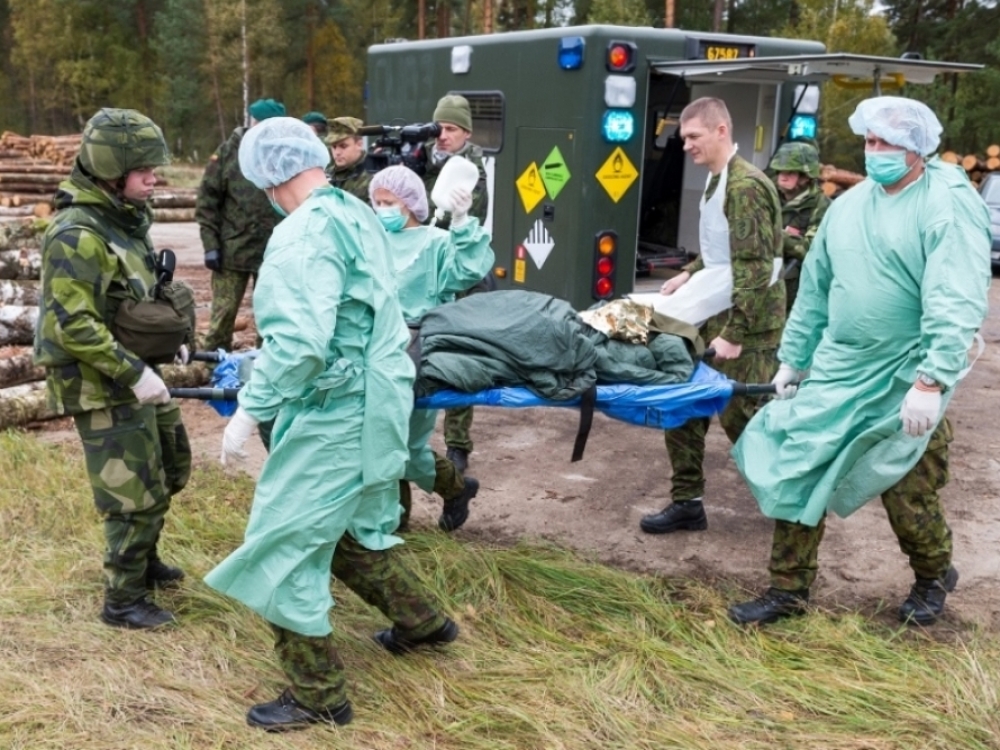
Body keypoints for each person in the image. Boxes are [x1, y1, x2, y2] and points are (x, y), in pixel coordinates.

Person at [205, 118, 458, 731]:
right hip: (378, 402)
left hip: (337, 411)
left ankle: (318, 695)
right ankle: (423, 623)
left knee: (284, 542)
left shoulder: (301, 235)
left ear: (266, 174)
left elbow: (300, 347)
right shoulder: (353, 211)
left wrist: (251, 409)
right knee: (351, 528)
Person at [728, 96, 991, 627]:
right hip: (839, 368)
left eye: (887, 143)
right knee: (798, 467)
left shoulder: (946, 201)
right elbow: (817, 291)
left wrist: (932, 379)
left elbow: (955, 294)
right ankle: (788, 589)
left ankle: (934, 573)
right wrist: (793, 360)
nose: (875, 152)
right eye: (869, 142)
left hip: (904, 374)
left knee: (905, 487)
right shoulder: (849, 207)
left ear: (917, 147)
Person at [34, 108, 191, 629]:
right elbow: (71, 326)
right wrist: (134, 373)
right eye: (144, 168)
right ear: (111, 168)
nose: (154, 178)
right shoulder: (76, 234)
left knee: (170, 466)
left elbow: (134, 299)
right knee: (132, 494)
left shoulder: (123, 218)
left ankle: (142, 563)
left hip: (132, 372)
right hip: (101, 384)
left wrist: (170, 341)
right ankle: (123, 600)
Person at [640, 97, 785, 535]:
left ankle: (790, 504)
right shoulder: (716, 181)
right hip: (711, 314)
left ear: (721, 130)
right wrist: (688, 273)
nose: (685, 145)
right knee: (683, 409)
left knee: (745, 421)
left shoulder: (745, 186)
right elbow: (722, 250)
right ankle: (688, 502)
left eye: (693, 136)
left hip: (748, 326)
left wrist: (735, 333)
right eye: (683, 137)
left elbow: (756, 266)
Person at [368, 165, 495, 531]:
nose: (381, 209)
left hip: (419, 351)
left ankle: (433, 500)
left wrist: (462, 220)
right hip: (375, 349)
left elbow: (471, 269)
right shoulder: (371, 242)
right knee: (383, 441)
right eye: (376, 202)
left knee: (402, 445)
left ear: (408, 204)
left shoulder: (435, 243)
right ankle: (412, 512)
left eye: (388, 202)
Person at [423, 93, 491, 473]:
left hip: (464, 273)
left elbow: (458, 219)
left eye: (450, 128)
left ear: (466, 131)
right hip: (432, 269)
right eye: (439, 128)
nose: (442, 135)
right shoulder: (433, 163)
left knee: (460, 358)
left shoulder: (472, 170)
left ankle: (458, 444)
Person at [195, 97, 285, 353]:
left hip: (274, 254)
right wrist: (210, 245)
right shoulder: (229, 152)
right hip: (232, 253)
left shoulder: (284, 155)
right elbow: (207, 200)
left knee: (272, 320)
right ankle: (212, 370)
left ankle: (266, 367)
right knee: (222, 319)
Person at [768, 140, 830, 312]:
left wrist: (775, 234)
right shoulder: (768, 194)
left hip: (797, 295)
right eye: (780, 171)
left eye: (790, 172)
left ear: (805, 176)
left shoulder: (821, 205)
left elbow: (811, 250)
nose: (783, 176)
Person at [325, 116, 371, 201]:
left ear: (359, 144)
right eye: (334, 147)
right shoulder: (326, 175)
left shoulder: (373, 174)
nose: (337, 152)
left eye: (343, 146)